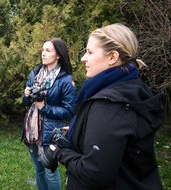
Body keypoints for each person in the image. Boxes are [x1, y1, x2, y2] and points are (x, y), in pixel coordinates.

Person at [41, 23, 164, 189]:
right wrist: (82, 130)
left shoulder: (107, 105)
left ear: (112, 57)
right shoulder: (131, 88)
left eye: (90, 52)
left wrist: (59, 152)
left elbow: (94, 173)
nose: (84, 58)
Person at [22, 37, 77, 190]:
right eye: (42, 50)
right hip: (32, 131)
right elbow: (25, 102)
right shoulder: (35, 73)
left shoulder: (66, 80)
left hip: (49, 133)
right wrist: (25, 95)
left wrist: (44, 107)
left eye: (48, 50)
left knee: (50, 171)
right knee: (39, 170)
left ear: (58, 55)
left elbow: (69, 110)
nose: (43, 54)